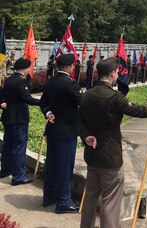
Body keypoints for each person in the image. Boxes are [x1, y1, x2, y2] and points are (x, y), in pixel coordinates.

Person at [76, 57, 147, 228]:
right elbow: (136, 110)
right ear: (111, 74)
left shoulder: (86, 95)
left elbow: (78, 121)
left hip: (92, 155)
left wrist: (86, 136)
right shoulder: (114, 97)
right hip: (110, 156)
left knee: (90, 197)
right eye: (117, 72)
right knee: (110, 201)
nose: (118, 75)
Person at [39, 54, 82, 213]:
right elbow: (82, 103)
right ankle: (63, 201)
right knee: (64, 167)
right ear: (69, 67)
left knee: (52, 165)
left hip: (53, 129)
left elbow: (43, 102)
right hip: (67, 132)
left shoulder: (51, 81)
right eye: (73, 65)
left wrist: (48, 112)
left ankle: (49, 197)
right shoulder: (71, 84)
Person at [0, 58, 41, 185]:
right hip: (19, 118)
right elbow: (27, 99)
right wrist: (42, 102)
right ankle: (18, 176)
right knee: (19, 146)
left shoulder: (9, 79)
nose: (29, 70)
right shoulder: (21, 81)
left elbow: (1, 94)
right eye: (28, 68)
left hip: (8, 116)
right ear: (24, 69)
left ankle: (5, 170)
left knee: (8, 145)